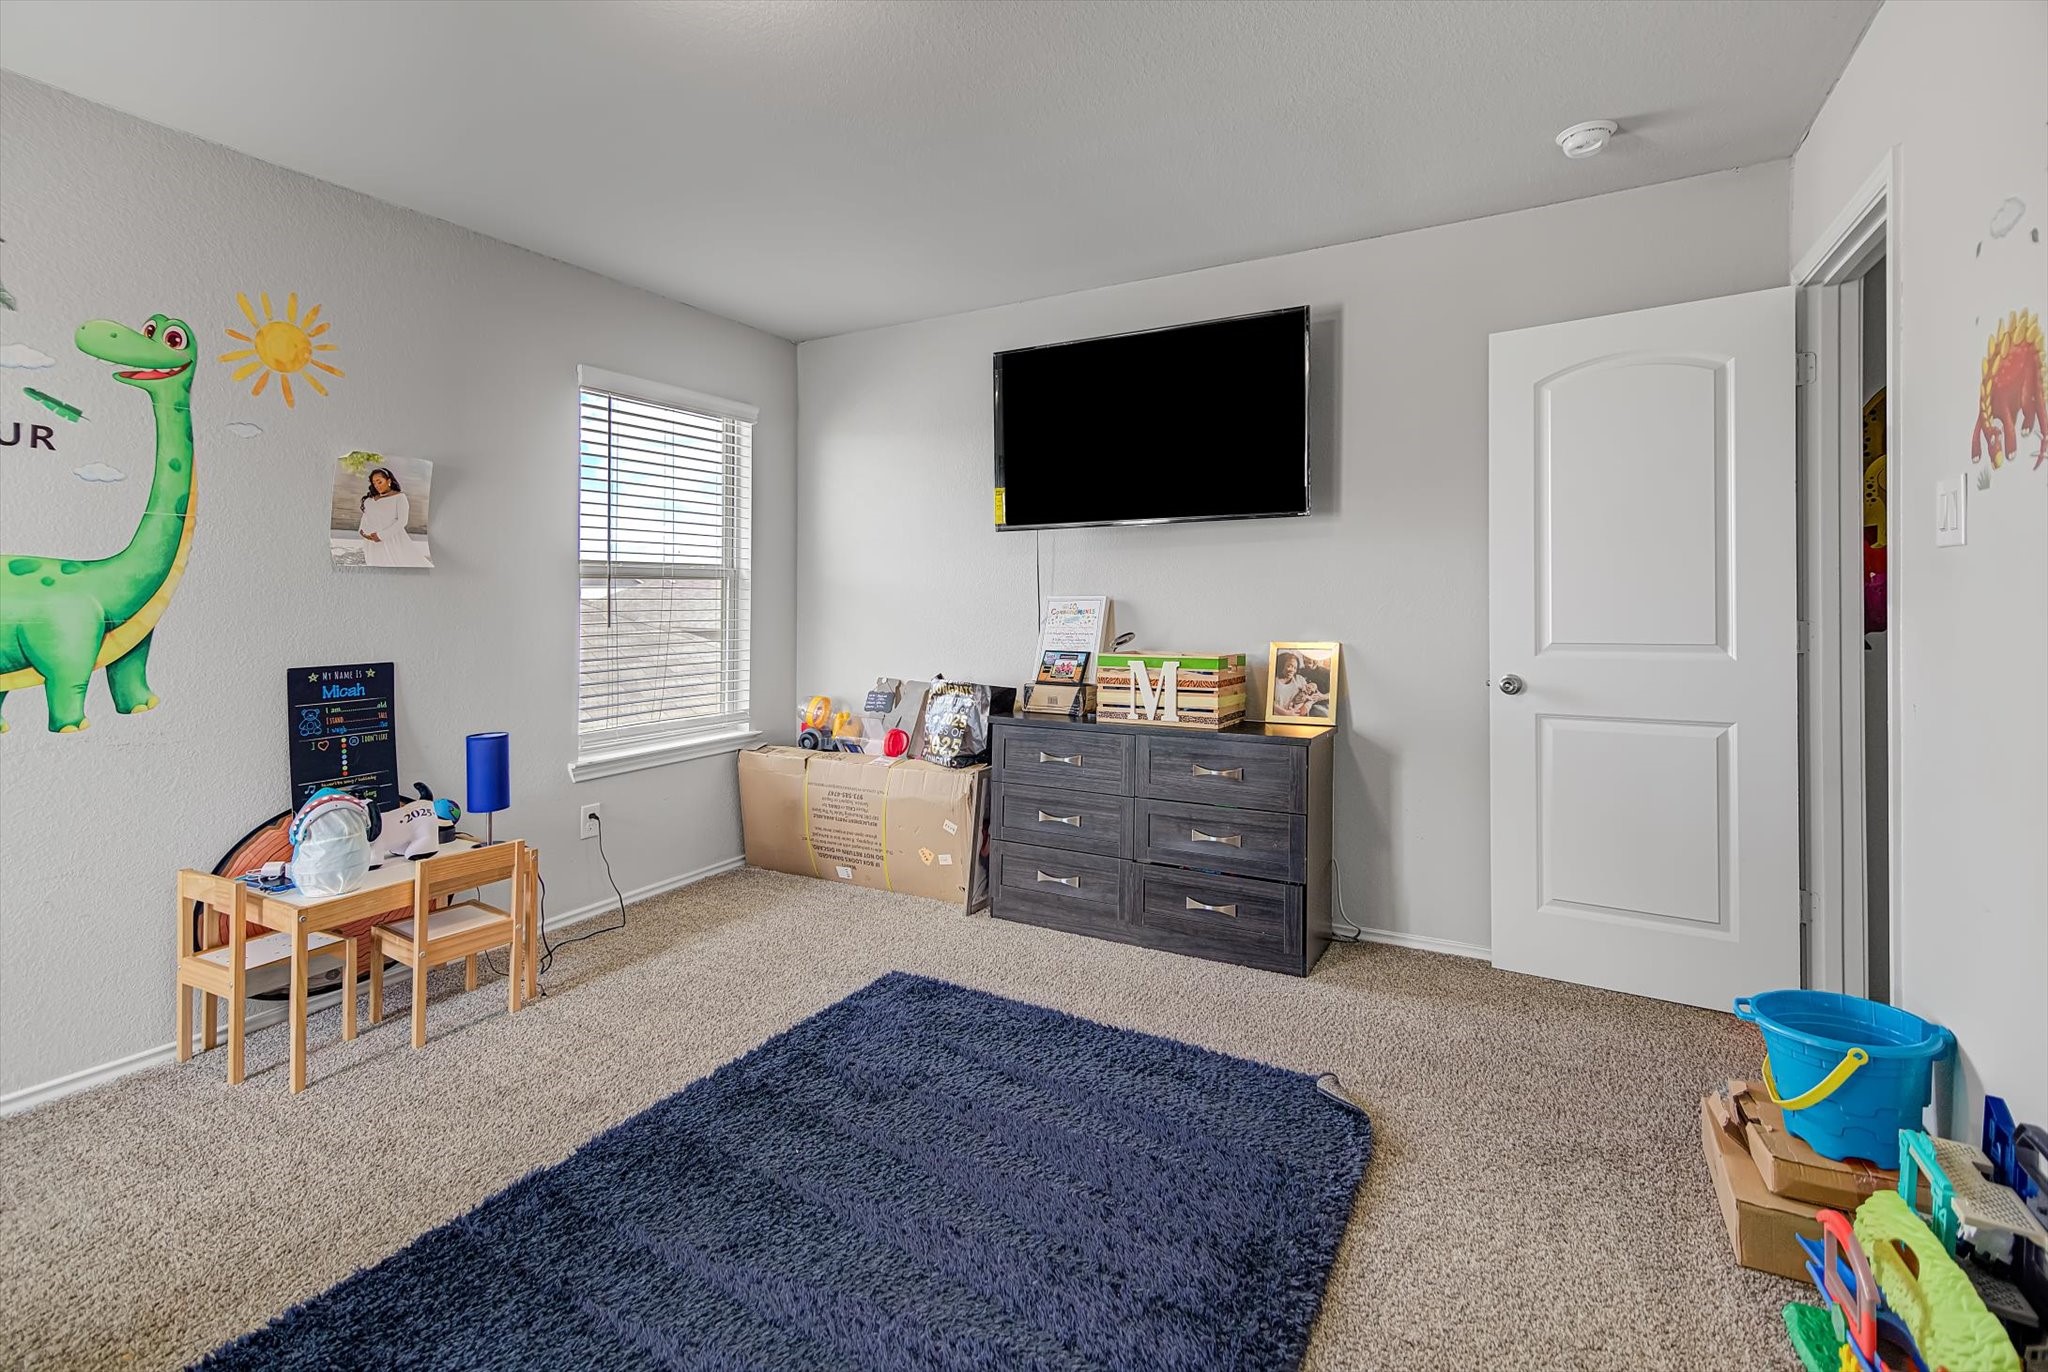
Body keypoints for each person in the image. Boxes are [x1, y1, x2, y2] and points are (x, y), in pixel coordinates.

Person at [356, 467, 429, 567]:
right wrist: (362, 532)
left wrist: (381, 536)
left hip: (391, 540)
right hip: (371, 542)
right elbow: (365, 517)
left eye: (379, 482)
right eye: (374, 483)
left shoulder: (399, 497)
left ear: (388, 481)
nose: (376, 485)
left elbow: (402, 521)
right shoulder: (369, 499)